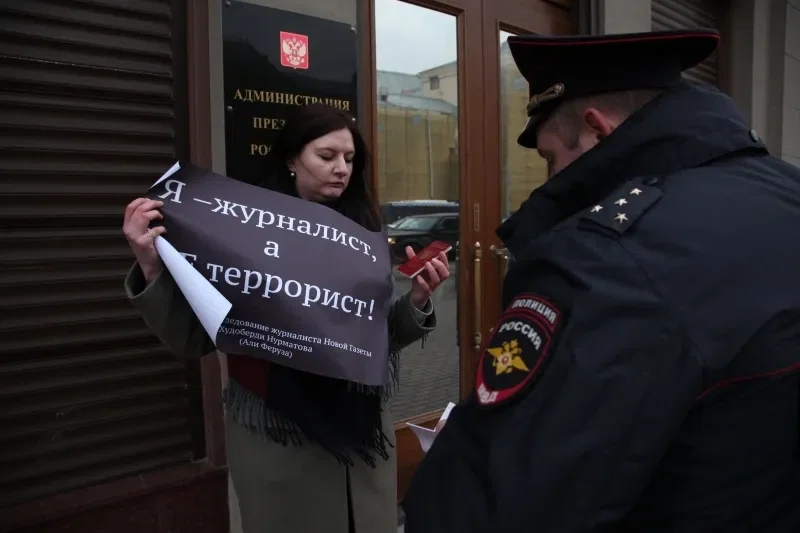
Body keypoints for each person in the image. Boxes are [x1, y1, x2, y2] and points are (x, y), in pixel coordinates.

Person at [402, 28, 800, 532]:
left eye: (550, 159)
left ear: (596, 130)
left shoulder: (605, 258)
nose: (551, 181)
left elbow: (491, 508)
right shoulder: (786, 191)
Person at [122, 102, 450, 533]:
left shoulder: (364, 233)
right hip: (278, 436)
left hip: (361, 436)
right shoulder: (237, 232)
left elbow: (371, 340)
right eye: (326, 156)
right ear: (292, 159)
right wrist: (151, 265)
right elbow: (191, 339)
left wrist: (417, 301)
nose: (341, 169)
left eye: (350, 158)